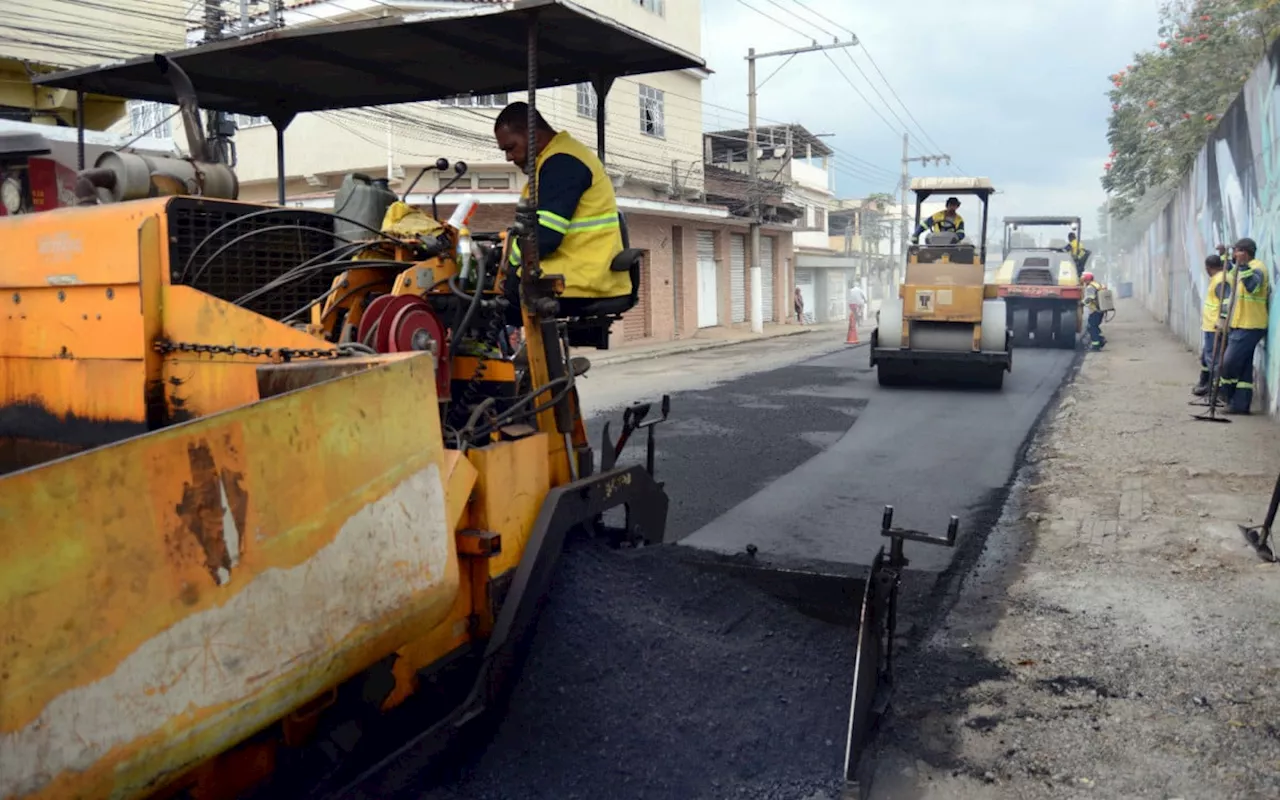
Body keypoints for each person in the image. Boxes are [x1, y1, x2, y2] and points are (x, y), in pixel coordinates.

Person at [492, 102, 629, 324]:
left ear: (532, 133)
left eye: (510, 147)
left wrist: (505, 262)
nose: (508, 157)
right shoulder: (556, 159)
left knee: (486, 305)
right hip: (577, 270)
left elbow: (544, 237)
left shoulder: (562, 163)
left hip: (581, 278)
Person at [1216, 237, 1270, 414]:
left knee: (1229, 363)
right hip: (1240, 324)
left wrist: (1243, 266)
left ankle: (1226, 393)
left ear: (1245, 253)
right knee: (1245, 367)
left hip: (1251, 325)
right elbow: (1230, 273)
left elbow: (1252, 287)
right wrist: (1224, 256)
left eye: (1236, 252)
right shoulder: (1243, 268)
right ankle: (1240, 405)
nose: (1234, 256)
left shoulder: (1257, 268)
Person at [1192, 253, 1230, 396]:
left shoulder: (1220, 280)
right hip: (1212, 326)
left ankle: (1216, 390)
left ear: (1208, 268)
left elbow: (1225, 302)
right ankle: (1208, 386)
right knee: (1207, 358)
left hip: (1215, 327)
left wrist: (1221, 320)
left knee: (1213, 359)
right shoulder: (1222, 277)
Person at [1081, 270, 1107, 350]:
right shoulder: (1098, 284)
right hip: (1101, 309)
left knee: (1092, 327)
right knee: (1094, 326)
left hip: (1095, 310)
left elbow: (1090, 298)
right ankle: (1101, 339)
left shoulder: (1090, 287)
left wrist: (1082, 303)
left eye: (1084, 279)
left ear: (1086, 279)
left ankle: (1096, 345)